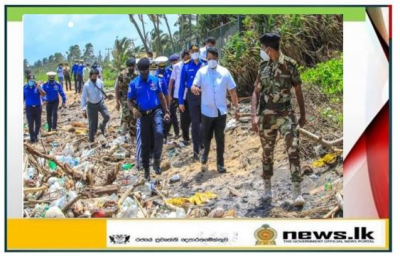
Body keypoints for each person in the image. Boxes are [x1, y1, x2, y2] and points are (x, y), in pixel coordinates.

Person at [251, 33, 306, 206]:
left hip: (286, 114)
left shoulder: (290, 65)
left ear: (268, 48)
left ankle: (297, 191)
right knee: (267, 153)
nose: (261, 51)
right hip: (266, 117)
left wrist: (303, 115)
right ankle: (267, 189)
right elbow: (256, 92)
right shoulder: (263, 67)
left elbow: (297, 90)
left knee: (293, 148)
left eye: (262, 48)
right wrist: (253, 116)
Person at [191, 47, 239, 173]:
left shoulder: (224, 72)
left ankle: (220, 164)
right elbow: (194, 85)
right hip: (206, 111)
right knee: (206, 136)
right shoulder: (202, 72)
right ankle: (206, 152)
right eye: (209, 58)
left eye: (213, 58)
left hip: (221, 111)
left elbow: (232, 90)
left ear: (217, 58)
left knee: (220, 138)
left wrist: (236, 107)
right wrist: (194, 89)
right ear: (206, 59)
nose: (211, 61)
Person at [127, 58, 170, 181]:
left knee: (159, 134)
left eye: (146, 71)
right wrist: (133, 110)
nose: (144, 73)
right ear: (139, 71)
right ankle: (146, 169)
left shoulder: (155, 80)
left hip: (156, 111)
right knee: (145, 143)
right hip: (143, 115)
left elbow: (161, 96)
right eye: (142, 71)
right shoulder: (134, 83)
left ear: (148, 69)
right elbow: (129, 100)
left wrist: (166, 110)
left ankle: (156, 161)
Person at [179, 44, 204, 161]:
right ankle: (196, 150)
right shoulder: (186, 66)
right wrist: (180, 102)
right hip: (191, 96)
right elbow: (181, 85)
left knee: (204, 121)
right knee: (195, 123)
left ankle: (203, 144)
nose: (195, 52)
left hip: (204, 94)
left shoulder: (204, 64)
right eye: (192, 51)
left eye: (196, 50)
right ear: (189, 52)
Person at [81, 68, 111, 143]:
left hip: (100, 103)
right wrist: (83, 109)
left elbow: (102, 92)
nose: (95, 77)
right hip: (91, 106)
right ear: (90, 76)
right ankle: (91, 140)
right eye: (94, 76)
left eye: (96, 76)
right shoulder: (86, 85)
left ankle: (102, 126)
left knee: (107, 116)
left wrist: (104, 98)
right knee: (92, 124)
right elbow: (83, 97)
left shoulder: (100, 82)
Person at [169, 50, 191, 145]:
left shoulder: (193, 65)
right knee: (184, 116)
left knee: (193, 115)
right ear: (182, 58)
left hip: (191, 94)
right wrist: (169, 95)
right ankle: (186, 137)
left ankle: (195, 136)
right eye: (186, 58)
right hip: (179, 96)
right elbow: (171, 81)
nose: (187, 60)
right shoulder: (177, 66)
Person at [115, 57, 138, 138]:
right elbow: (117, 88)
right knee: (126, 115)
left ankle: (132, 136)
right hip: (125, 98)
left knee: (133, 117)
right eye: (131, 66)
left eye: (133, 66)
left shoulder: (137, 74)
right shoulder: (122, 74)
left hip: (135, 99)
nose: (132, 68)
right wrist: (117, 101)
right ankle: (123, 133)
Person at [162, 54, 180, 140]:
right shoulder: (167, 70)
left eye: (175, 61)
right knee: (172, 113)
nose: (174, 63)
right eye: (172, 62)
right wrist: (169, 95)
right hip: (171, 94)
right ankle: (174, 132)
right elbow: (166, 83)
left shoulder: (182, 68)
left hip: (180, 93)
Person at [24, 74, 46, 142]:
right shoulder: (24, 88)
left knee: (38, 123)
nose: (31, 81)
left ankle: (36, 135)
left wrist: (39, 87)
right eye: (30, 80)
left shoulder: (37, 87)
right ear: (27, 80)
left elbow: (43, 94)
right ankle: (32, 138)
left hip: (37, 108)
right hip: (29, 108)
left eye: (33, 80)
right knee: (30, 124)